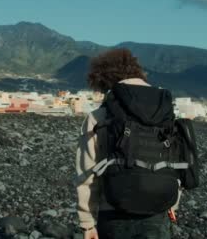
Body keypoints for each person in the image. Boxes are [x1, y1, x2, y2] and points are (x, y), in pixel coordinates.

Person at [75, 48, 182, 239]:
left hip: (113, 211)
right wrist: (172, 205)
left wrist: (87, 224)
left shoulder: (99, 116)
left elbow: (87, 175)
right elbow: (174, 162)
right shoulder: (164, 112)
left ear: (102, 78)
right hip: (158, 211)